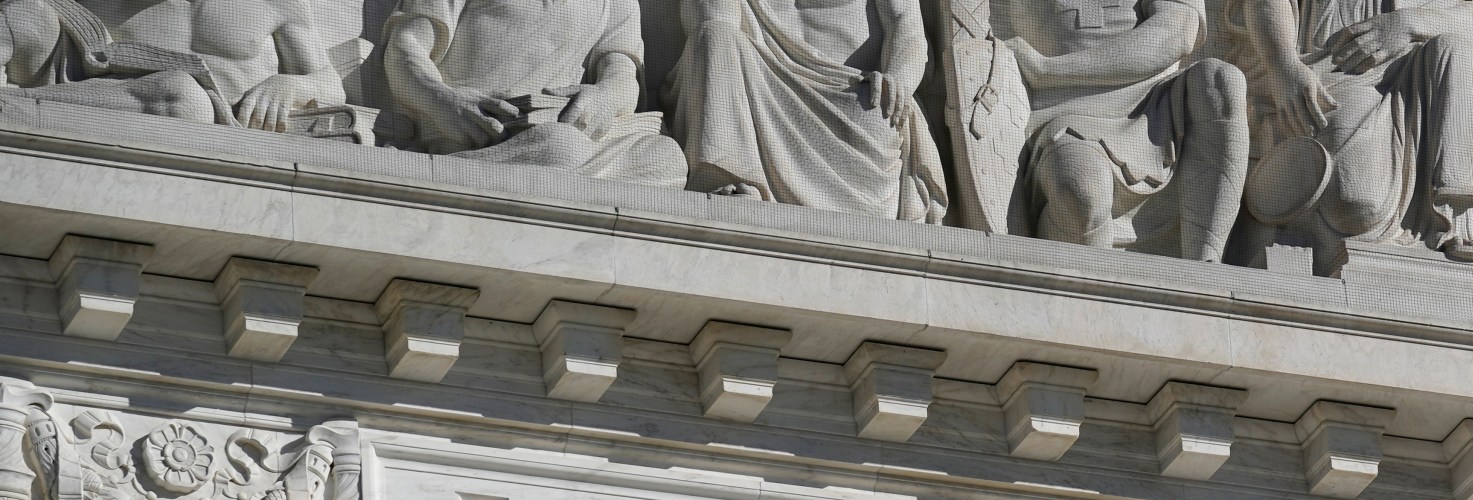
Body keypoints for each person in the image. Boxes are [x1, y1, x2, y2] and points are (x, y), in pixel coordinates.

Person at [1228, 0, 1473, 271]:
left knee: (1455, 48)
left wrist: (1406, 24)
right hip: (1332, 76)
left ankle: (1462, 215)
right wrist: (1284, 67)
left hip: (1418, 78)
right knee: (1356, 203)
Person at [985, 0, 1247, 260]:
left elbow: (1175, 34)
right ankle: (1085, 293)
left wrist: (1047, 70)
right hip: (1060, 113)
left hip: (1152, 107)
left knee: (1220, 81)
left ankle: (1206, 268)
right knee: (1082, 193)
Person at [668, 0, 948, 219]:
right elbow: (710, 22)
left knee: (878, 111)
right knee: (714, 35)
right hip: (760, 79)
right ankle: (732, 177)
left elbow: (906, 26)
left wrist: (898, 79)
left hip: (851, 96)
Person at [382, 0, 685, 185]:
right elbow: (404, 48)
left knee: (666, 158)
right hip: (473, 131)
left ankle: (449, 176)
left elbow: (621, 76)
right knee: (560, 146)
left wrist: (603, 99)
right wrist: (443, 102)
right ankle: (451, 167)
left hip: (563, 133)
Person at [0, 0, 341, 130]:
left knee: (185, 98)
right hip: (106, 96)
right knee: (26, 12)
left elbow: (331, 84)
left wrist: (290, 85)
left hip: (208, 121)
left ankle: (15, 106)